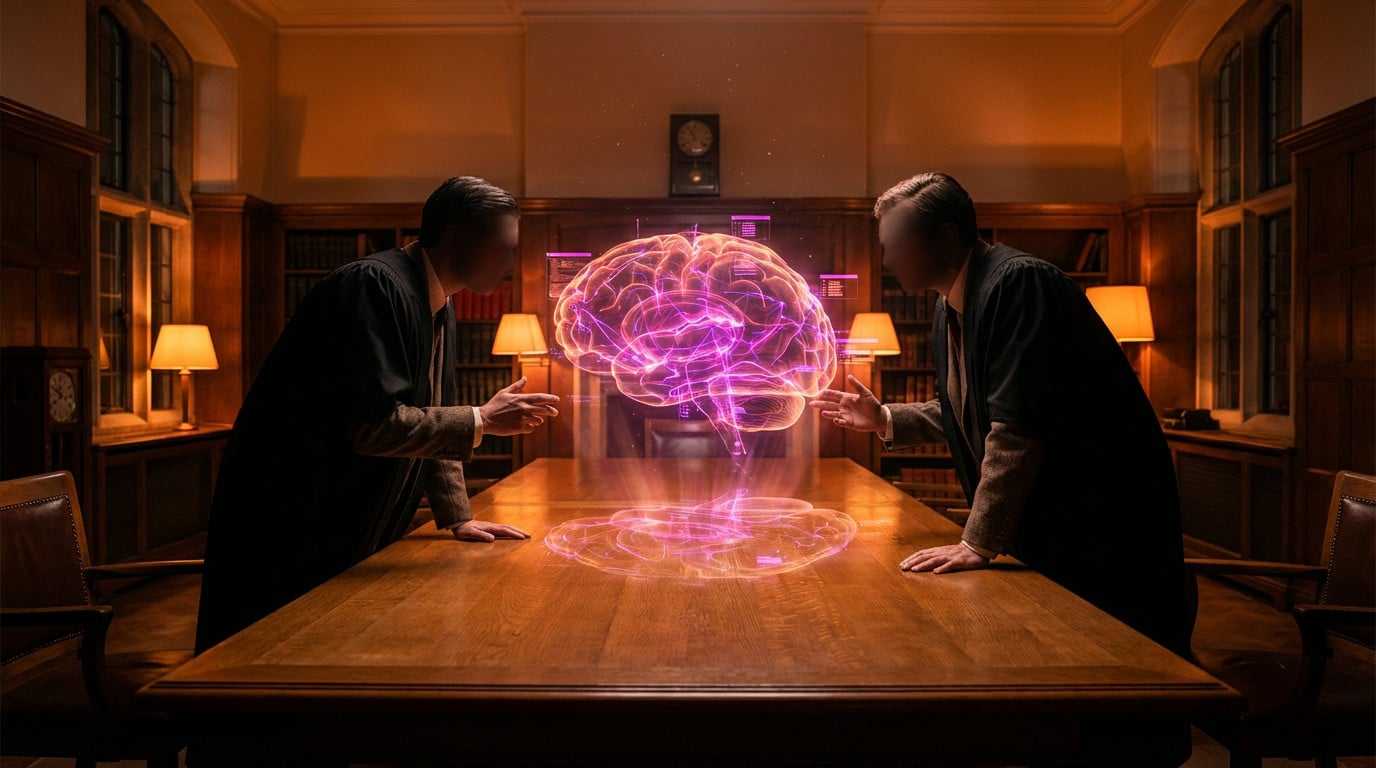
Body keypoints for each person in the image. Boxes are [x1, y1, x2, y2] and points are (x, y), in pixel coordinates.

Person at [811, 171, 1193, 654]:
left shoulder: (1018, 283)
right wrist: (885, 418)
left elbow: (1016, 426)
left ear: (947, 233)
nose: (886, 260)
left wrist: (976, 543)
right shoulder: (949, 302)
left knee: (1123, 678)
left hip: (1101, 529)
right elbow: (972, 407)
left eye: (897, 244)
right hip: (1055, 527)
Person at [193, 176, 560, 656]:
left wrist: (456, 518)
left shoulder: (438, 301)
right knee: (266, 659)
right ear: (456, 237)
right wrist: (482, 419)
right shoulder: (374, 287)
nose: (511, 264)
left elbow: (433, 413)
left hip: (339, 512)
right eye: (502, 248)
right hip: (296, 510)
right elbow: (373, 425)